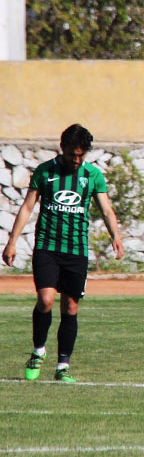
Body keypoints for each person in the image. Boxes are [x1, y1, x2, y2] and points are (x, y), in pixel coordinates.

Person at [2, 124, 125, 383]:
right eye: (73, 155)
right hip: (47, 247)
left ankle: (63, 367)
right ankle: (37, 352)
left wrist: (116, 236)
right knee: (45, 300)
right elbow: (27, 207)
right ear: (63, 149)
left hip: (76, 251)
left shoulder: (93, 176)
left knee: (70, 306)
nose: (77, 160)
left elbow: (106, 209)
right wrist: (12, 241)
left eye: (81, 155)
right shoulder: (45, 172)